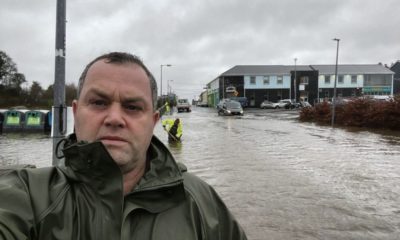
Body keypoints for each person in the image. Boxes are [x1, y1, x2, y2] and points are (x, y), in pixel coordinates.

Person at [0, 52, 247, 239]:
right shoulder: (29, 196)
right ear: (76, 114)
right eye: (98, 102)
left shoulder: (202, 204)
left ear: (153, 123)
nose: (115, 119)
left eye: (132, 107)